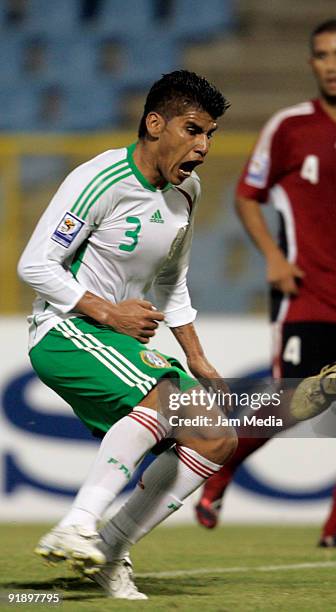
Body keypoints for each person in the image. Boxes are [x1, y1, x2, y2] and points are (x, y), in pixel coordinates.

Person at [18, 70, 237, 600]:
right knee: (163, 401)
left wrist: (198, 357)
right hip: (66, 331)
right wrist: (109, 313)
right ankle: (79, 523)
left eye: (209, 134)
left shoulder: (187, 190)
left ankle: (111, 550)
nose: (203, 147)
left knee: (216, 437)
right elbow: (35, 264)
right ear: (154, 123)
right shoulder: (100, 179)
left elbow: (171, 281)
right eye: (192, 130)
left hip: (116, 342)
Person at [195, 19, 336, 548]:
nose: (330, 63)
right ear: (311, 63)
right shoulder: (288, 127)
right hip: (304, 297)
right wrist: (272, 257)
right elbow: (247, 194)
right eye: (321, 55)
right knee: (288, 406)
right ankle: (220, 469)